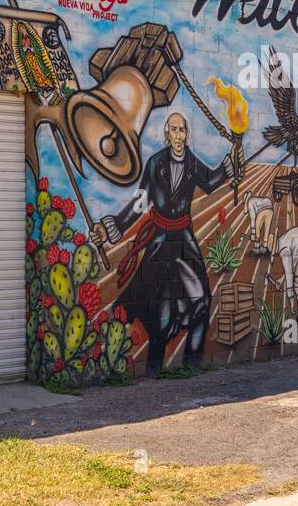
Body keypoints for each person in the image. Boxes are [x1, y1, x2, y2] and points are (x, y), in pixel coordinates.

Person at [90, 113, 232, 372]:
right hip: (159, 239)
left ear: (187, 135)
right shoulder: (155, 163)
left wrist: (228, 168)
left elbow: (210, 182)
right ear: (167, 134)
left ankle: (192, 364)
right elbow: (139, 202)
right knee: (158, 315)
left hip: (184, 239)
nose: (179, 136)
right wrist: (114, 226)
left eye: (182, 131)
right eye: (174, 130)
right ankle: (154, 369)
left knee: (201, 301)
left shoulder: (191, 163)